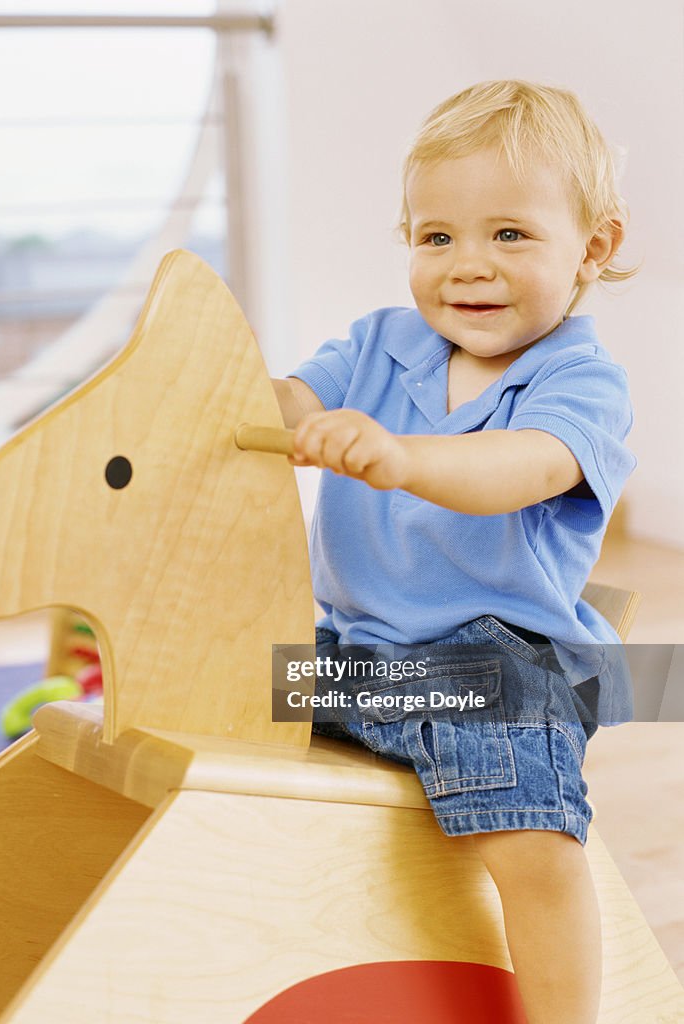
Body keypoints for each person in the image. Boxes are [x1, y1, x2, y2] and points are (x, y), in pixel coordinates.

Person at [272, 79, 637, 1024]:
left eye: (510, 234)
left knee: (534, 847)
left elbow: (515, 469)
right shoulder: (376, 345)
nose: (467, 265)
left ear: (595, 245)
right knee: (209, 693)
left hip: (496, 662)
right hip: (350, 650)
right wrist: (264, 408)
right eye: (437, 238)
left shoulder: (580, 382)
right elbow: (288, 401)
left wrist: (399, 458)